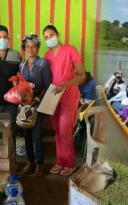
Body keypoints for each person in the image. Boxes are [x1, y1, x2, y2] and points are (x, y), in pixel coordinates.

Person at [43, 25, 85, 176]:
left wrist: (67, 84)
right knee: (56, 130)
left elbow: (81, 76)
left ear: (57, 34)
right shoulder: (46, 56)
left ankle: (70, 163)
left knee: (65, 130)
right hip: (53, 97)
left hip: (69, 96)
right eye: (46, 37)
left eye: (51, 35)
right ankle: (60, 161)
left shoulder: (70, 50)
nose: (49, 39)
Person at [19, 34, 51, 177]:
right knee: (26, 134)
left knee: (36, 135)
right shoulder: (22, 64)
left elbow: (47, 85)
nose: (30, 49)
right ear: (24, 49)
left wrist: (37, 98)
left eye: (33, 46)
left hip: (38, 104)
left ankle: (40, 164)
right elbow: (20, 83)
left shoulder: (43, 64)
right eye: (27, 47)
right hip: (24, 105)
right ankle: (30, 162)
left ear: (37, 48)